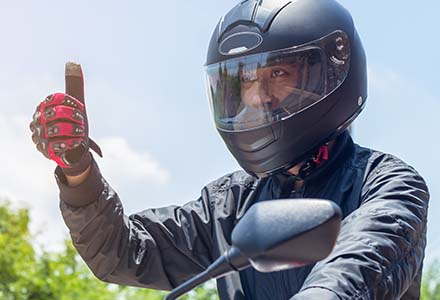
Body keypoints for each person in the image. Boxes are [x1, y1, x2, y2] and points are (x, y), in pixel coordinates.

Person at [29, 0, 429, 299]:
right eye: (243, 83)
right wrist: (77, 170)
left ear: (334, 70)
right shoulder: (229, 205)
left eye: (278, 74)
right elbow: (123, 252)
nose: (257, 98)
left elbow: (364, 260)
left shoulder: (387, 184)